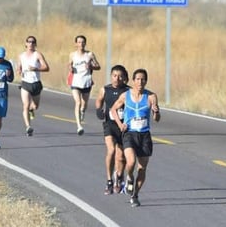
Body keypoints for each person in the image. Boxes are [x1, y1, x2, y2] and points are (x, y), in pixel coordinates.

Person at [110, 68, 161, 207]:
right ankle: (129, 178)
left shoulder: (151, 97)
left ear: (146, 81)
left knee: (142, 168)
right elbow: (113, 110)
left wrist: (156, 112)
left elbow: (157, 119)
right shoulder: (125, 96)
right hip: (129, 134)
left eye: (143, 79)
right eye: (137, 79)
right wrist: (120, 125)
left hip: (144, 135)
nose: (140, 82)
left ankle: (135, 195)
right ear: (133, 81)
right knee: (131, 162)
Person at [95, 65, 130, 195]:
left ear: (125, 78)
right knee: (111, 150)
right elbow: (99, 100)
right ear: (111, 76)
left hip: (123, 126)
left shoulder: (128, 91)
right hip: (109, 124)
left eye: (120, 76)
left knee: (121, 156)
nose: (117, 78)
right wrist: (99, 110)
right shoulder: (105, 89)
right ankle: (109, 180)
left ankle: (119, 176)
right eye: (115, 75)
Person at [16, 36, 50, 136]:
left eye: (33, 42)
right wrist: (19, 70)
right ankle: (28, 127)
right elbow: (19, 67)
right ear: (25, 44)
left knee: (35, 106)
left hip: (36, 83)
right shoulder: (21, 56)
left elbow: (46, 68)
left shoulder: (38, 55)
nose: (30, 44)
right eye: (29, 42)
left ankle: (32, 109)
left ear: (35, 44)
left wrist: (36, 69)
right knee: (25, 105)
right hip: (25, 83)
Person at [68, 35, 101, 135]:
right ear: (76, 44)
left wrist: (91, 66)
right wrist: (70, 67)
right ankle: (79, 126)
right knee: (77, 102)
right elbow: (69, 64)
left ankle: (82, 111)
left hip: (86, 82)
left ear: (85, 43)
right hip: (75, 82)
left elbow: (98, 66)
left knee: (84, 104)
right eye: (79, 42)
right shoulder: (72, 55)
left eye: (82, 42)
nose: (81, 44)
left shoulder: (90, 54)